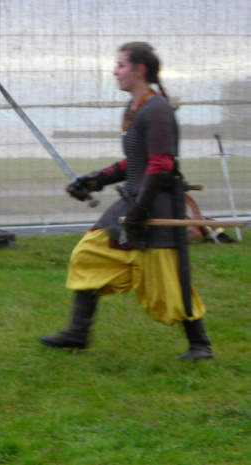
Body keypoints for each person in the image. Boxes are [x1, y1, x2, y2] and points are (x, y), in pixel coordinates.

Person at [40, 42, 213, 360]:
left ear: (139, 70)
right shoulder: (134, 109)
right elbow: (134, 163)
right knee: (88, 253)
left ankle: (200, 344)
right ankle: (78, 332)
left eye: (121, 65)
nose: (115, 71)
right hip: (134, 200)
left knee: (165, 280)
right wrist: (94, 180)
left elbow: (161, 165)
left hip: (155, 203)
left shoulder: (157, 109)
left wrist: (142, 208)